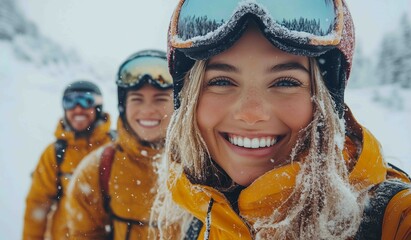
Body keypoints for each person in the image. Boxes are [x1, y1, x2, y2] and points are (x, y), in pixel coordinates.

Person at [151, 1, 411, 239]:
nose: (251, 114)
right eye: (221, 81)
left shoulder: (391, 220)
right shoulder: (201, 216)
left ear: (326, 102)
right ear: (188, 100)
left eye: (285, 82)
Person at [65, 49, 174, 239]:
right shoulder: (96, 170)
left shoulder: (203, 166)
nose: (147, 110)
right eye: (137, 99)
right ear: (123, 107)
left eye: (160, 99)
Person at [23, 80, 114, 239]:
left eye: (87, 101)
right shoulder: (56, 153)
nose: (78, 108)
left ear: (98, 108)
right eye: (70, 102)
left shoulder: (114, 147)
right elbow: (37, 204)